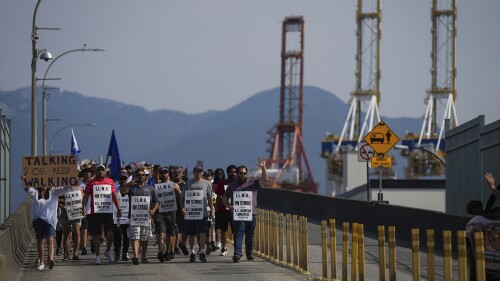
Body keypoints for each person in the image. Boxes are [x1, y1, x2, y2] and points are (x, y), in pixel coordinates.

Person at [223, 157, 268, 262]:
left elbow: (265, 180)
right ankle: (237, 254)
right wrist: (229, 206)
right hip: (238, 214)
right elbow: (224, 199)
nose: (243, 175)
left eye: (244, 173)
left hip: (251, 214)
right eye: (240, 173)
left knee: (250, 235)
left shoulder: (253, 183)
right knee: (238, 233)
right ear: (237, 174)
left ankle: (249, 254)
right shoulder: (231, 186)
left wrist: (263, 168)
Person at [24, 185, 77, 271]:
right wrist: (25, 181)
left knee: (50, 240)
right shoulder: (35, 191)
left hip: (50, 220)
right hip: (38, 219)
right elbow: (27, 189)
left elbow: (66, 189)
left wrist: (71, 182)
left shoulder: (54, 191)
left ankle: (51, 258)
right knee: (40, 241)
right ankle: (41, 262)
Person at [82, 164, 122, 265]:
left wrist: (118, 208)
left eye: (102, 169)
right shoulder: (91, 182)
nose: (100, 171)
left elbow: (113, 195)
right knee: (96, 235)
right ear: (95, 171)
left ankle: (108, 251)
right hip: (95, 212)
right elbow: (86, 196)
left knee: (110, 233)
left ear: (105, 171)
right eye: (98, 169)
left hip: (108, 211)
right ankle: (97, 256)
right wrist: (83, 207)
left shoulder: (110, 181)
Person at [121, 168, 159, 265]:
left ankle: (144, 256)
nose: (141, 176)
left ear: (145, 176)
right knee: (135, 236)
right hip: (134, 217)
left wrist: (153, 210)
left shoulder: (150, 188)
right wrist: (128, 184)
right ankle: (136, 256)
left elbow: (156, 201)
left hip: (146, 218)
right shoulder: (132, 188)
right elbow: (122, 191)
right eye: (139, 175)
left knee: (144, 238)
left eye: (142, 175)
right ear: (136, 176)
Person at [181, 165, 215, 262]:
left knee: (202, 232)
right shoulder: (188, 183)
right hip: (190, 213)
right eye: (197, 171)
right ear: (194, 172)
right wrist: (182, 208)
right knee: (191, 234)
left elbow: (209, 198)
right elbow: (182, 197)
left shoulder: (207, 183)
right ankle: (192, 252)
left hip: (203, 212)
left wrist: (212, 210)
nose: (199, 173)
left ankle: (202, 252)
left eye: (201, 171)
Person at [154, 167, 181, 262]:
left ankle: (168, 251)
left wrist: (177, 191)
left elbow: (180, 197)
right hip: (160, 212)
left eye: (165, 172)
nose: (164, 174)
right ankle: (161, 251)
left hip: (171, 212)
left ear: (168, 174)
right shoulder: (157, 186)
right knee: (161, 233)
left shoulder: (174, 185)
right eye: (162, 173)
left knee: (170, 233)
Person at [215, 165, 237, 256]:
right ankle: (224, 248)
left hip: (235, 212)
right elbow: (218, 197)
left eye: (235, 172)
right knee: (223, 231)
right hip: (223, 211)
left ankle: (237, 249)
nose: (233, 174)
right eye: (231, 172)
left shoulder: (238, 184)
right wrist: (216, 209)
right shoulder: (222, 183)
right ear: (228, 173)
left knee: (236, 231)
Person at [59, 185, 84, 261]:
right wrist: (63, 206)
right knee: (66, 234)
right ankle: (67, 254)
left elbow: (83, 199)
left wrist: (84, 208)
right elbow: (57, 200)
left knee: (77, 232)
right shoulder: (63, 189)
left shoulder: (80, 188)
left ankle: (75, 254)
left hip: (76, 213)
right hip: (65, 213)